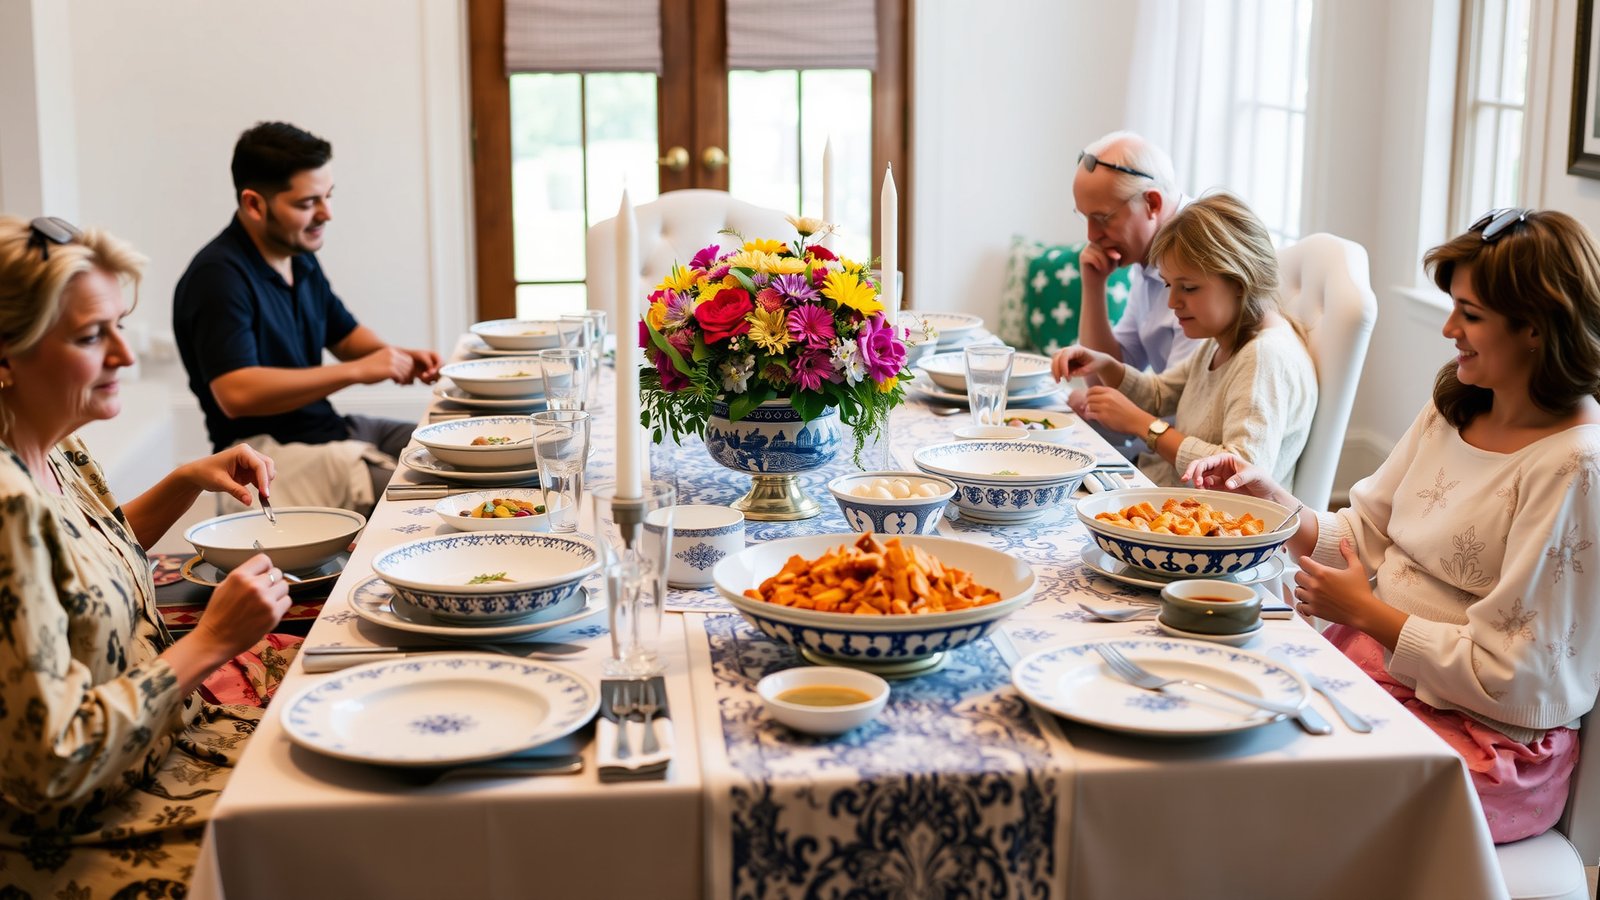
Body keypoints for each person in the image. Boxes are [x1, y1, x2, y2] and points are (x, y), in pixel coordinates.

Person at [1185, 208, 1600, 844]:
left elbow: (1518, 676)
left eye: (1470, 314)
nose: (1449, 329)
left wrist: (1368, 614)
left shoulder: (1573, 465)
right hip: (1380, 671)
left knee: (1258, 789)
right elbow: (1367, 535)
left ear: (1538, 329)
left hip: (1485, 742)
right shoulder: (1458, 403)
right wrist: (1272, 502)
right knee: (1206, 713)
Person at [0, 216, 294, 893]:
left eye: (120, 326)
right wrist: (212, 641)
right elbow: (51, 766)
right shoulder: (7, 505)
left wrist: (185, 481)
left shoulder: (55, 447)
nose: (125, 356)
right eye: (90, 336)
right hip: (92, 826)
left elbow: (78, 567)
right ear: (6, 356)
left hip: (172, 744)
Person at [173, 121, 441, 515]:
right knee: (433, 495)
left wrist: (397, 357)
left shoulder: (299, 257)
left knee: (450, 448)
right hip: (270, 454)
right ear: (254, 204)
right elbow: (237, 393)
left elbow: (344, 336)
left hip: (328, 429)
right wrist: (357, 371)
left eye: (328, 197)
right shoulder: (217, 277)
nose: (326, 213)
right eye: (306, 203)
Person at [1050, 192, 1317, 488]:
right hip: (1166, 490)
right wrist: (1105, 364)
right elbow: (1159, 394)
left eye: (1188, 288)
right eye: (1168, 285)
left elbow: (1241, 474)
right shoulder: (1222, 341)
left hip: (1205, 514)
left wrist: (1143, 425)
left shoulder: (1265, 357)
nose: (1172, 302)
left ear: (1240, 283)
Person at [1067, 132, 1203, 444]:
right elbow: (1104, 380)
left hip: (1179, 449)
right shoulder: (1148, 254)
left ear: (1152, 203)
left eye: (1102, 218)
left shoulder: (1198, 264)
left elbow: (1182, 406)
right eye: (1085, 218)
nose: (1091, 236)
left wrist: (1101, 404)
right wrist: (1093, 286)